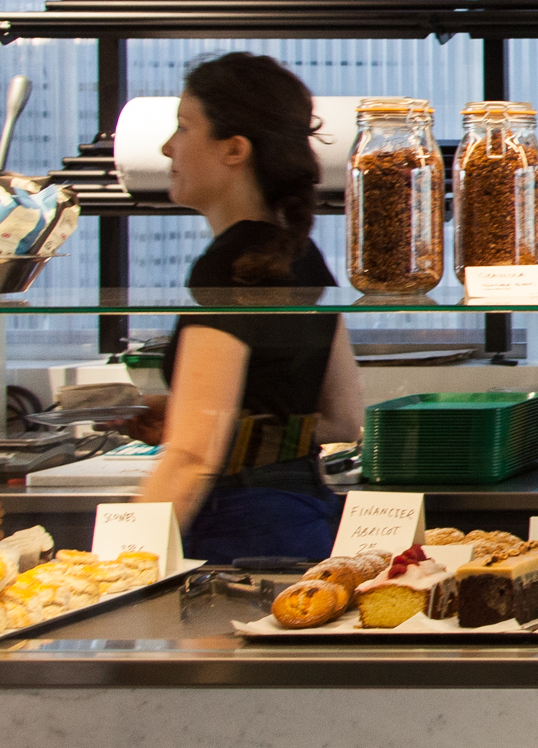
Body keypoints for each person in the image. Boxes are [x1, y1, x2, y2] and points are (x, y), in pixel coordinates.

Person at [131, 54, 365, 562]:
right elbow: (342, 421)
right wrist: (193, 415)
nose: (168, 146)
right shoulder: (296, 254)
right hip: (303, 520)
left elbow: (192, 458)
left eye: (184, 127)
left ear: (234, 149)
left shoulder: (228, 269)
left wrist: (115, 569)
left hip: (238, 533)